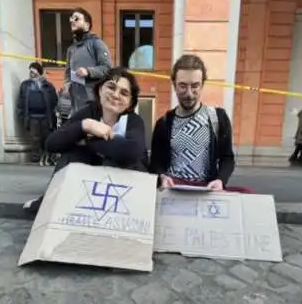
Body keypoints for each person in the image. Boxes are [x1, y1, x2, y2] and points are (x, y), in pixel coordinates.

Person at [24, 67, 147, 215]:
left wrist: (88, 140)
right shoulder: (88, 113)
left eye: (124, 93)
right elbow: (51, 143)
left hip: (126, 182)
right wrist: (85, 125)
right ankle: (50, 200)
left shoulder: (134, 121)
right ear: (100, 90)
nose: (115, 95)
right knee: (72, 154)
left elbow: (131, 152)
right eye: (111, 87)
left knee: (114, 159)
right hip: (92, 177)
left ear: (129, 102)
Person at [149, 55, 238, 191]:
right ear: (174, 85)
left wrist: (220, 180)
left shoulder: (218, 118)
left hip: (206, 190)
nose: (189, 94)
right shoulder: (164, 123)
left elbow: (227, 158)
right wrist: (162, 177)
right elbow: (156, 163)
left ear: (202, 84)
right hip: (174, 190)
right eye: (183, 86)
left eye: (195, 86)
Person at [63, 8, 112, 114]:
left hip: (93, 103)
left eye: (76, 19)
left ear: (87, 24)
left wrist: (88, 71)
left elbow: (107, 69)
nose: (72, 21)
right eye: (71, 19)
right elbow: (68, 71)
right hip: (75, 105)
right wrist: (66, 84)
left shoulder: (96, 43)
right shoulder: (71, 49)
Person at [16, 62, 58, 166]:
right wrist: (21, 114)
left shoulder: (48, 86)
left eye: (33, 72)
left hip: (46, 116)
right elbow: (21, 101)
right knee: (34, 138)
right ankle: (35, 158)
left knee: (47, 137)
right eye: (30, 72)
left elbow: (54, 101)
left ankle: (48, 157)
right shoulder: (25, 85)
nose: (31, 74)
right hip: (32, 117)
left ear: (39, 72)